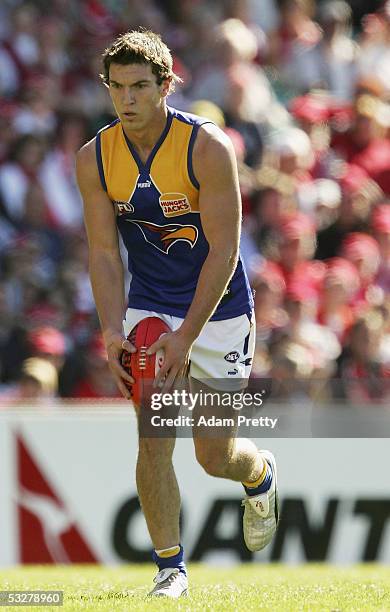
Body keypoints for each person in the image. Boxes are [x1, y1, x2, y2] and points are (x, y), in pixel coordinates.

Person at [76, 29, 278, 598]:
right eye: (117, 87)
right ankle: (171, 569)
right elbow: (101, 252)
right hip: (150, 309)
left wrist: (187, 338)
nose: (127, 99)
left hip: (217, 310)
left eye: (140, 86)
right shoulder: (94, 156)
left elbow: (226, 250)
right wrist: (112, 330)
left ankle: (259, 474)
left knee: (215, 456)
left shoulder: (207, 146)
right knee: (152, 438)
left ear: (167, 85)